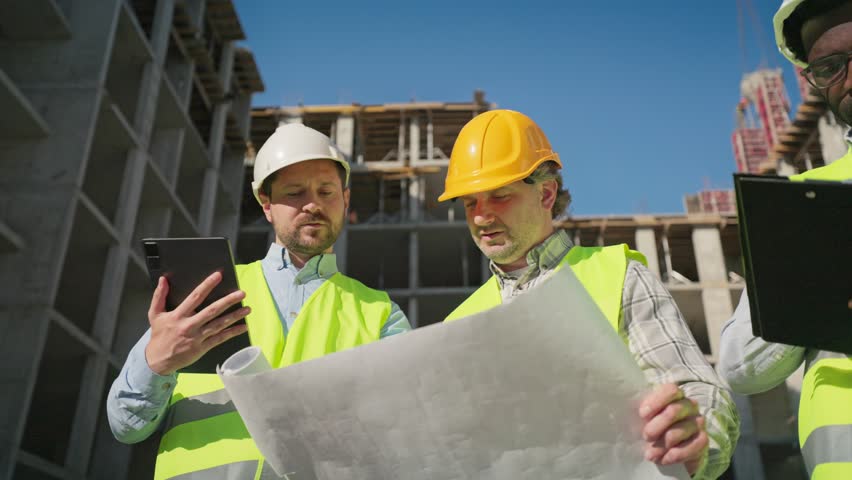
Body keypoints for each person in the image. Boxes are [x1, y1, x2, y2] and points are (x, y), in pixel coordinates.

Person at [439, 109, 739, 479]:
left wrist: (695, 435)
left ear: (546, 193)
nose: (481, 217)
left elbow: (696, 389)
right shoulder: (457, 324)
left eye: (499, 196)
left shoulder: (618, 275)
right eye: (470, 203)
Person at [107, 124, 411, 479]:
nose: (312, 204)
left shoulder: (380, 314)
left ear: (345, 199)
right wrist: (157, 364)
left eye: (326, 191)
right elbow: (126, 425)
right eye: (295, 192)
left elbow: (405, 434)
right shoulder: (206, 292)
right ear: (266, 206)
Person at [718, 1, 852, 478]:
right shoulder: (805, 199)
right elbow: (740, 366)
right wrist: (822, 268)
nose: (849, 79)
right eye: (829, 67)